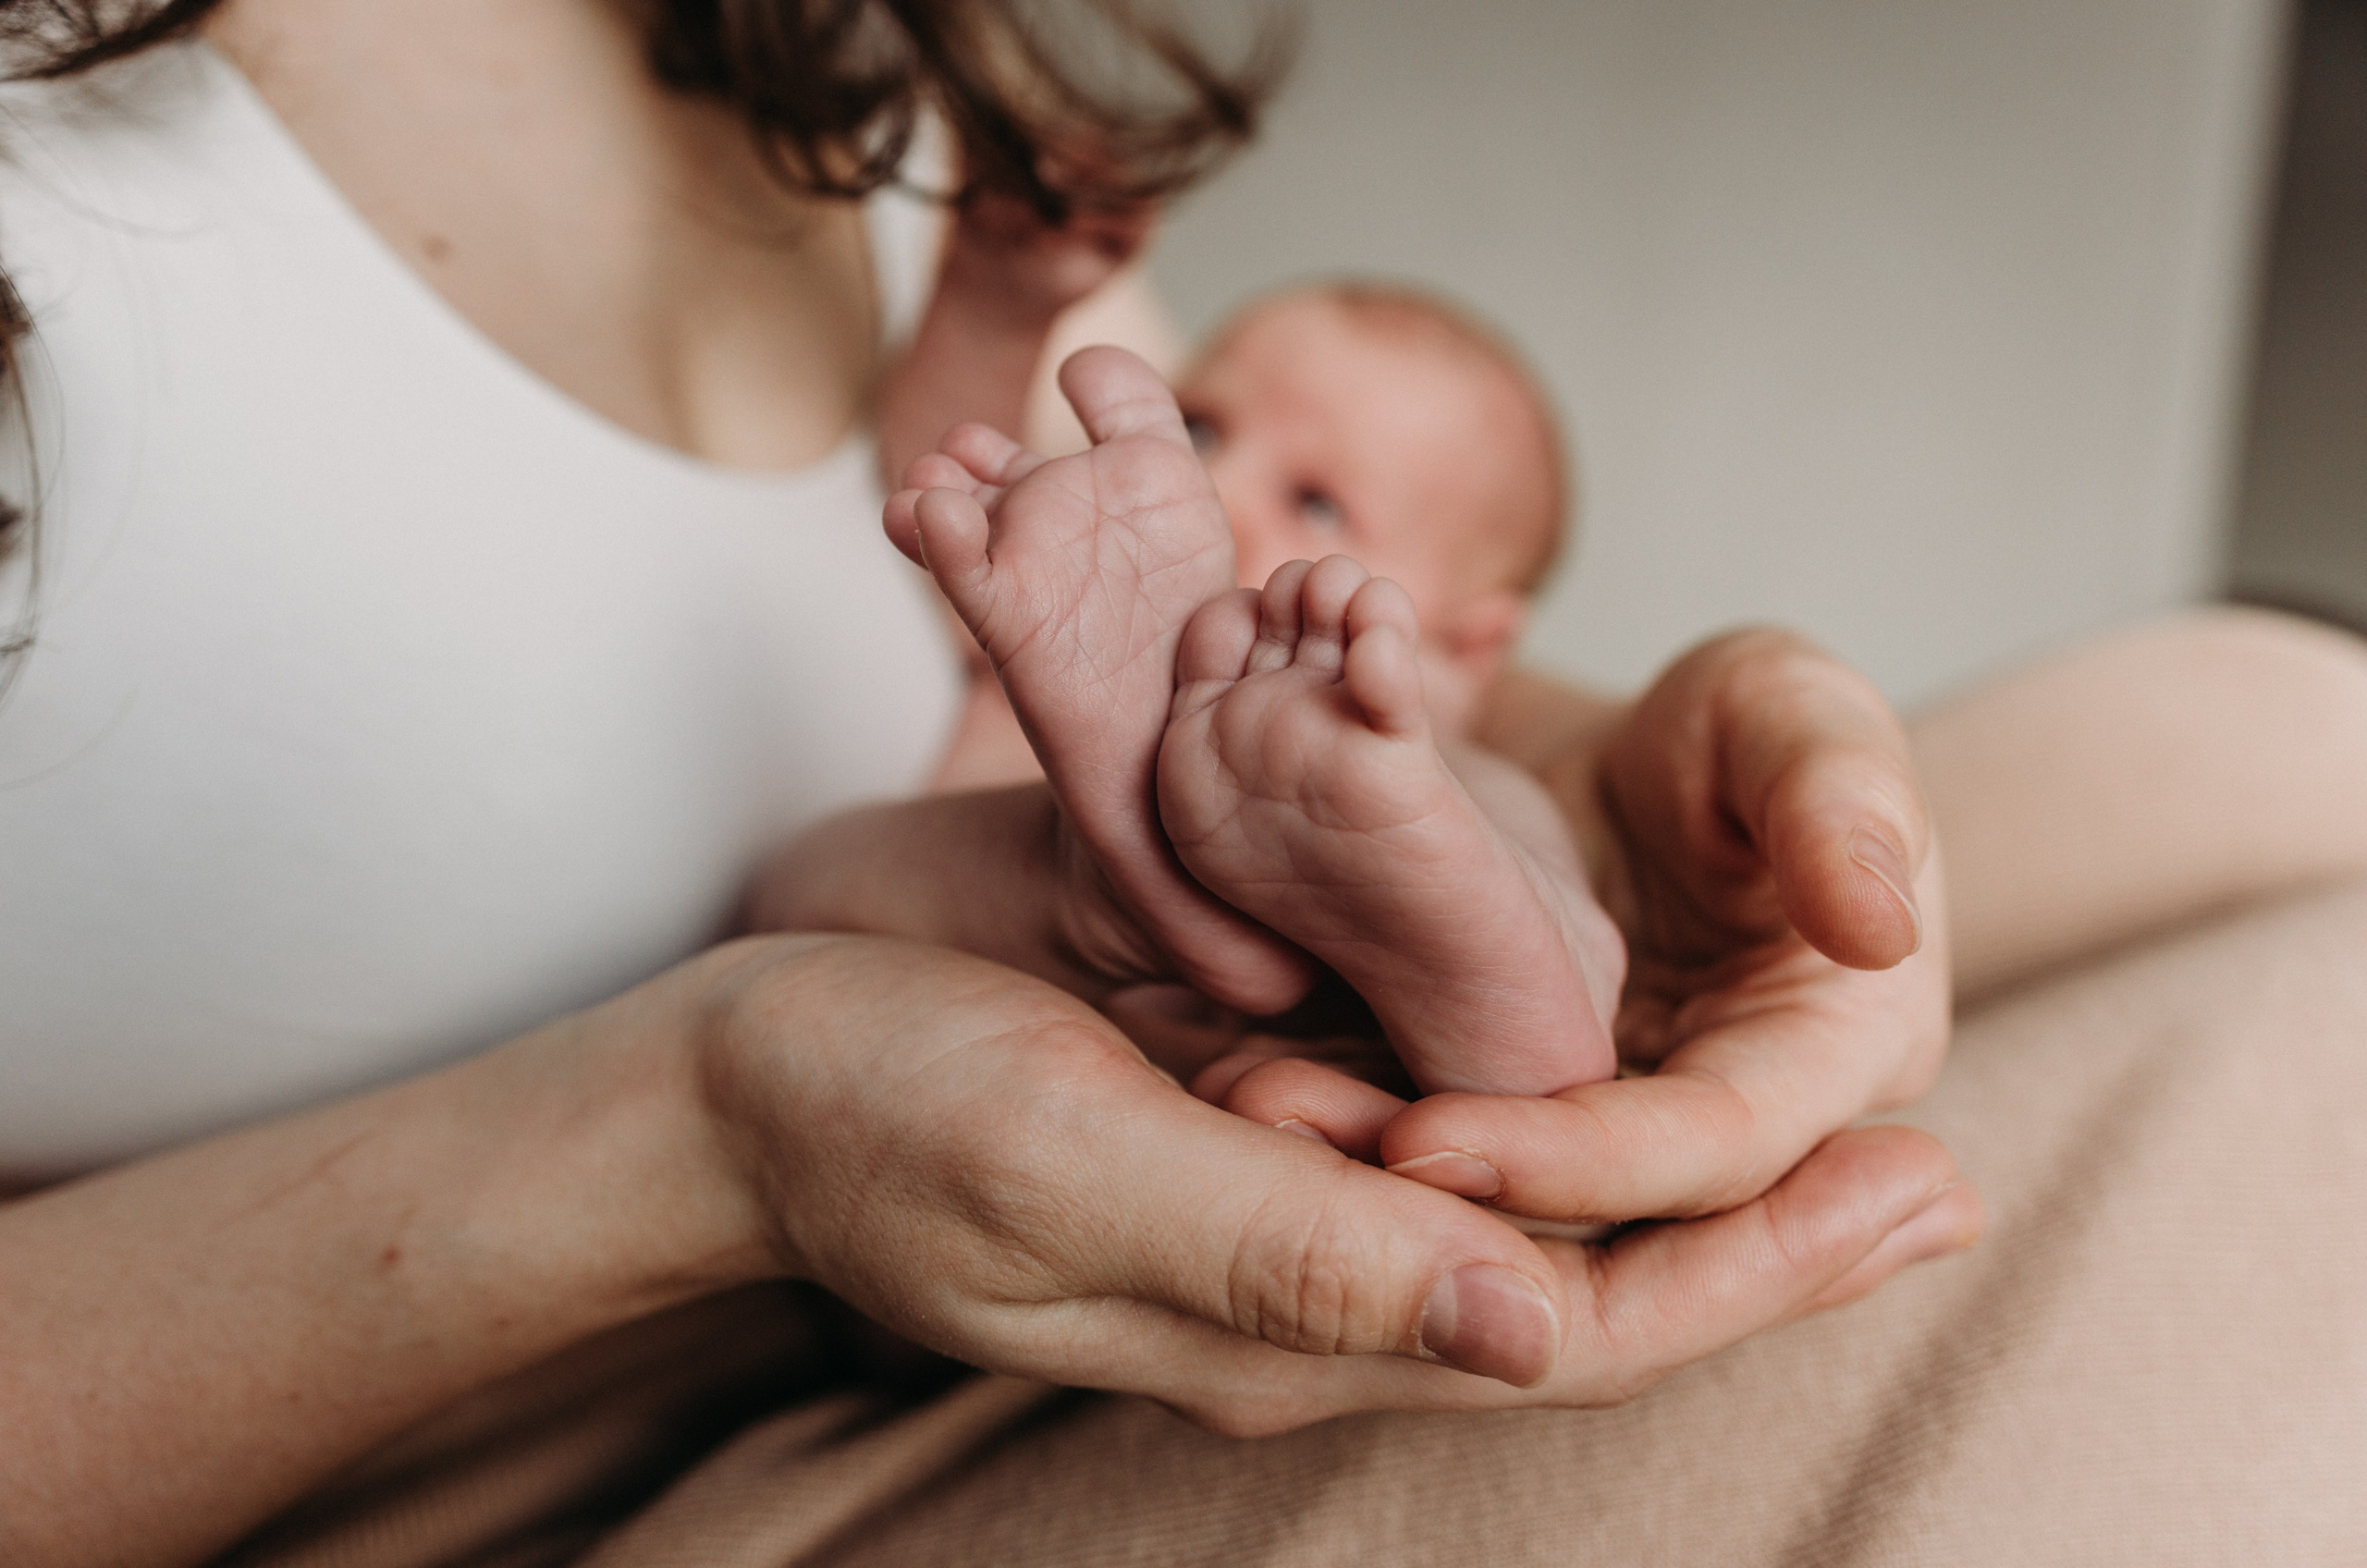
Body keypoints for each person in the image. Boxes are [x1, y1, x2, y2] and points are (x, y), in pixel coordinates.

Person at [0, 6, 1974, 1564]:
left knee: (1519, 806)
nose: (1218, 477)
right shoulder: (1116, 535)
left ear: (1469, 627)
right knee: (827, 882)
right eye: (1211, 421)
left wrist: (1593, 767)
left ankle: (1489, 951)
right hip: (919, 1015)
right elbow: (930, 460)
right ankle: (1165, 885)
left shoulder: (852, 44)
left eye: (1315, 499)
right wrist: (1006, 319)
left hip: (1178, 1032)